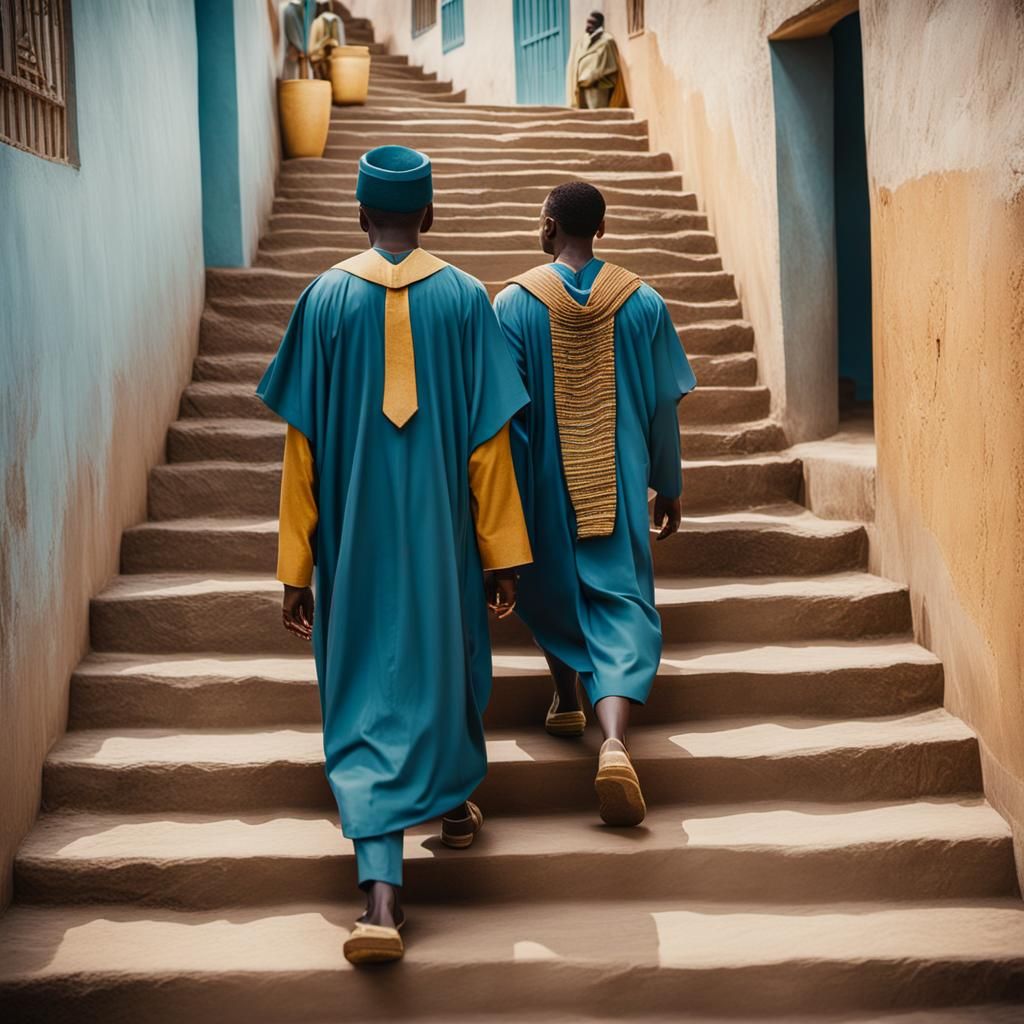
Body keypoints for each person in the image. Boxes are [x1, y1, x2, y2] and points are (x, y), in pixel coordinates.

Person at [257, 145, 533, 966]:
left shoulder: (321, 301)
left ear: (359, 215)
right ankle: (440, 818)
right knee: (448, 668)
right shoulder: (467, 300)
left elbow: (301, 452)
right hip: (443, 547)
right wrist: (501, 553)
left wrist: (295, 565)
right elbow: (488, 448)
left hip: (353, 551)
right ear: (430, 215)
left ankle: (382, 898)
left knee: (363, 700)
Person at [493, 182, 695, 828]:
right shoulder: (643, 302)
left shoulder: (514, 304)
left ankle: (565, 695)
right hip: (620, 482)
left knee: (554, 588)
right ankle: (611, 740)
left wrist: (507, 503)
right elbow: (662, 405)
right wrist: (668, 482)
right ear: (600, 230)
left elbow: (507, 415)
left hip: (546, 486)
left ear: (550, 227)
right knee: (620, 602)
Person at [566, 11, 628, 109]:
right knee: (584, 115)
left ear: (599, 24)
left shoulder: (607, 41)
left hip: (598, 87)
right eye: (588, 22)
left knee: (597, 114)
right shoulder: (583, 40)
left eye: (592, 22)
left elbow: (607, 65)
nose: (588, 25)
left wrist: (589, 78)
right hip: (581, 87)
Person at [309, 2, 345, 79]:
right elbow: (342, 44)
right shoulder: (338, 21)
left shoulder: (316, 22)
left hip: (319, 59)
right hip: (335, 60)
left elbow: (311, 49)